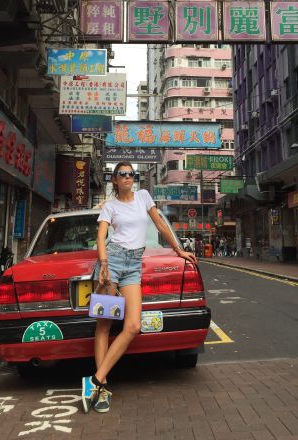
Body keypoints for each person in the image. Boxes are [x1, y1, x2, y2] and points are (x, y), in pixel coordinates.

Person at [82, 162, 197, 414]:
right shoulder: (110, 206)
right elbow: (101, 236)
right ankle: (101, 389)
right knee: (104, 326)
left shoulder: (144, 197)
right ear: (114, 179)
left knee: (132, 325)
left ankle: (95, 380)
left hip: (133, 264)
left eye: (131, 174)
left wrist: (178, 250)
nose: (127, 177)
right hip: (112, 262)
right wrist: (103, 265)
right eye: (122, 174)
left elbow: (160, 225)